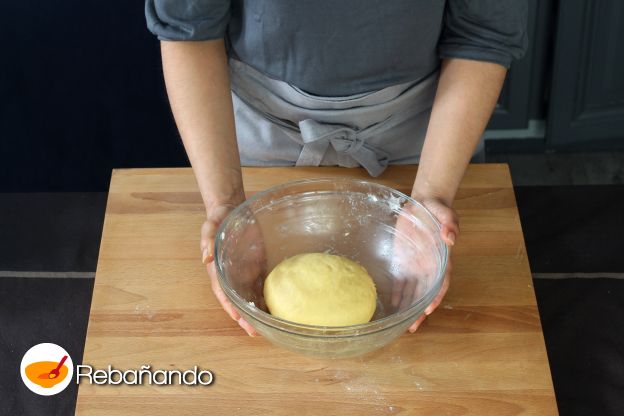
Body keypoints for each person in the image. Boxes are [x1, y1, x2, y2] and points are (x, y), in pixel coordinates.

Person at [145, 0, 528, 336]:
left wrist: (432, 197)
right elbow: (188, 28)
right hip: (251, 137)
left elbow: (483, 34)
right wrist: (226, 203)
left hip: (429, 137)